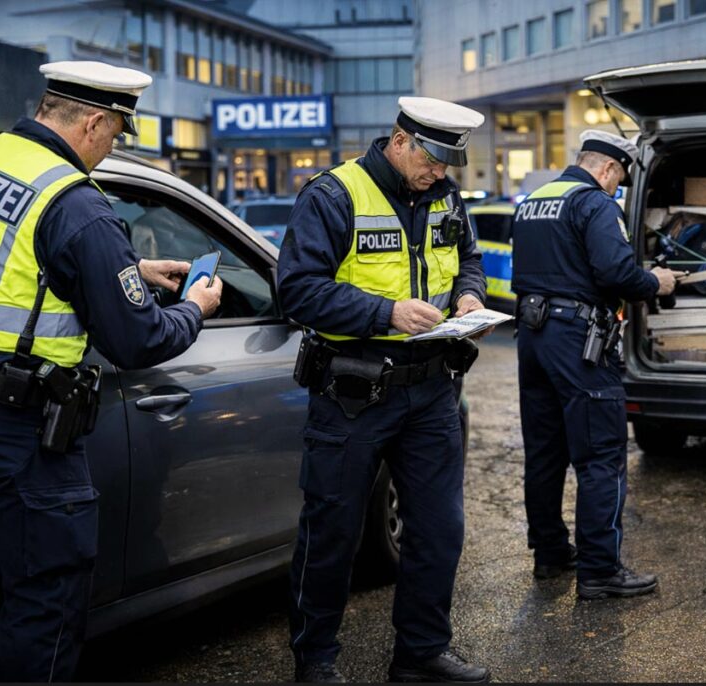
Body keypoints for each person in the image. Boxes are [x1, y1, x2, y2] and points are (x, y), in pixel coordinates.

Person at [0, 60, 222, 681]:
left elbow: (5, 267)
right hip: (21, 431)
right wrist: (196, 306)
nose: (110, 150)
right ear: (95, 121)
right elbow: (139, 340)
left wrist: (129, 270)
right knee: (45, 601)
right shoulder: (75, 202)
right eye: (115, 135)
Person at [277, 96, 491, 683]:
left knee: (438, 528)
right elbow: (296, 290)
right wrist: (385, 312)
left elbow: (466, 259)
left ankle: (420, 654)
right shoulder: (334, 195)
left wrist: (469, 296)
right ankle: (315, 661)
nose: (440, 172)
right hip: (354, 391)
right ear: (399, 141)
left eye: (449, 162)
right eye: (432, 158)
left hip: (431, 391)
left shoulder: (445, 196)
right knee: (332, 531)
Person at [511, 129, 678, 601]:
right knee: (601, 457)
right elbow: (615, 273)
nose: (617, 189)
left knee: (544, 455)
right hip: (578, 341)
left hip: (533, 337)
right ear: (606, 168)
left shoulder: (534, 200)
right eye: (619, 180)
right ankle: (601, 570)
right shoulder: (595, 203)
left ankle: (549, 554)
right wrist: (657, 281)